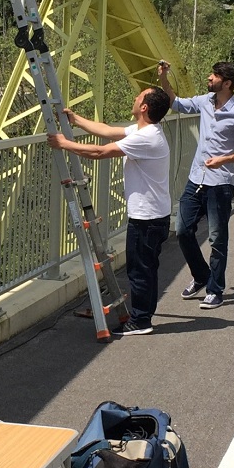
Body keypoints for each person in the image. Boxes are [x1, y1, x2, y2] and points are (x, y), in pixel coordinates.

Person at [47, 87, 172, 336]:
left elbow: (100, 152)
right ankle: (141, 317)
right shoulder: (145, 130)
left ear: (144, 107)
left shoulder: (145, 137)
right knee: (143, 268)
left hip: (148, 218)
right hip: (153, 214)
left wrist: (64, 144)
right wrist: (76, 119)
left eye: (139, 97)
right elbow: (105, 131)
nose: (134, 98)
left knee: (141, 270)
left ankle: (141, 321)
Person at [157, 60, 234, 310]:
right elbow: (176, 103)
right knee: (182, 230)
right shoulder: (204, 101)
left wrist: (226, 158)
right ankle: (201, 275)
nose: (209, 77)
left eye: (214, 76)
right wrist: (164, 79)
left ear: (227, 83)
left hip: (220, 184)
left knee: (217, 239)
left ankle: (215, 289)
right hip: (196, 179)